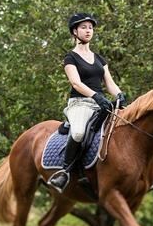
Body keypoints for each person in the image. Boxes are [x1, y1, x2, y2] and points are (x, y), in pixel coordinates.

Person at [47, 13, 127, 193]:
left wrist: (120, 94)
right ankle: (65, 172)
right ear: (75, 32)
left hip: (102, 104)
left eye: (90, 27)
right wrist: (96, 96)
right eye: (83, 27)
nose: (88, 30)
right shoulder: (70, 58)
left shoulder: (99, 59)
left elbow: (109, 83)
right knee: (78, 132)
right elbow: (76, 83)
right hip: (80, 103)